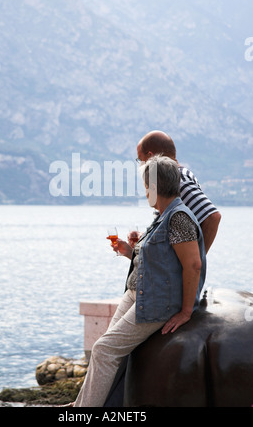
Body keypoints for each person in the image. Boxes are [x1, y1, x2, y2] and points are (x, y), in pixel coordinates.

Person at [69, 155, 206, 407]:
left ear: (154, 187)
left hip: (155, 303)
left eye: (146, 186)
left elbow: (193, 264)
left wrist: (186, 311)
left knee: (103, 350)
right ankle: (82, 404)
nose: (144, 192)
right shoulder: (164, 215)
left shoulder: (178, 218)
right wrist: (128, 251)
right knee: (106, 350)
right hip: (139, 294)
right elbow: (163, 264)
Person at [115, 130, 221, 257]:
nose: (140, 166)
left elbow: (212, 217)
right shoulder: (175, 178)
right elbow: (172, 237)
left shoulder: (178, 178)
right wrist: (145, 240)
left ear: (150, 156)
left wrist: (196, 262)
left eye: (140, 160)